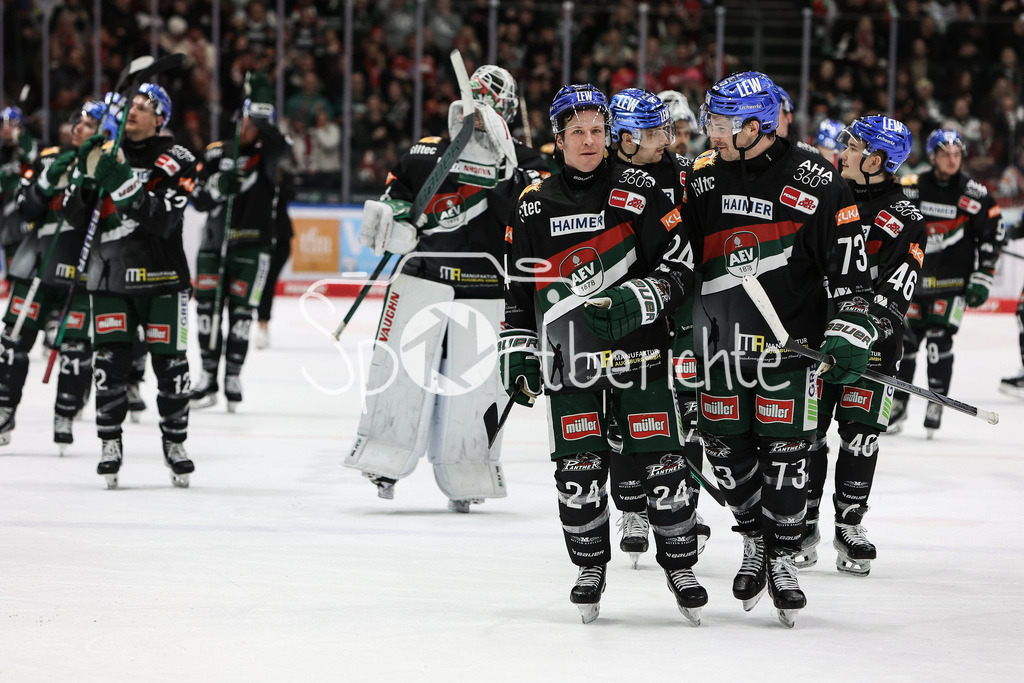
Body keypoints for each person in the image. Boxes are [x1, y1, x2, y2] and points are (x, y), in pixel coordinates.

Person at [503, 84, 705, 625]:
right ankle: (589, 567)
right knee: (579, 471)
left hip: (640, 359)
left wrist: (642, 297)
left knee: (664, 465)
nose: (589, 141)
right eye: (577, 132)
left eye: (597, 130)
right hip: (570, 362)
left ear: (609, 134)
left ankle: (680, 565)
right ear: (559, 139)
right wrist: (518, 350)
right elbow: (519, 292)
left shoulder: (640, 190)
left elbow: (681, 267)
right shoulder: (533, 205)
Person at [686, 71, 876, 626]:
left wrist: (849, 330)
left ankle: (784, 554)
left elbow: (851, 273)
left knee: (788, 459)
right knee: (726, 455)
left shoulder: (817, 179)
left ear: (755, 127)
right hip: (719, 349)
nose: (709, 131)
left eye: (719, 123)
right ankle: (755, 541)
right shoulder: (700, 177)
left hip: (790, 350)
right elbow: (677, 259)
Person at [344, 65, 541, 513]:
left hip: (487, 288)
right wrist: (393, 223)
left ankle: (469, 468)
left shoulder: (527, 162)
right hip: (421, 278)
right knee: (397, 373)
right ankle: (383, 454)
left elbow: (533, 219)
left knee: (478, 388)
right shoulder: (425, 150)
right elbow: (394, 199)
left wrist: (509, 173)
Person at [798, 116, 926, 577]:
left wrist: (860, 330)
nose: (843, 152)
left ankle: (849, 523)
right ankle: (803, 523)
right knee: (806, 437)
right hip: (814, 342)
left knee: (862, 436)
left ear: (876, 160)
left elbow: (897, 290)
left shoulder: (907, 218)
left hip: (871, 348)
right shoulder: (826, 196)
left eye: (852, 147)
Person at [62, 82, 199, 488]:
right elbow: (73, 216)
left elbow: (163, 221)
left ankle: (175, 443)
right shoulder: (101, 149)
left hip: (163, 278)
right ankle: (109, 444)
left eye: (145, 106)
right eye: (132, 105)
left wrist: (120, 179)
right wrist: (88, 177)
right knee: (109, 364)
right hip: (109, 277)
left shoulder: (179, 159)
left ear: (161, 120)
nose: (135, 110)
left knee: (172, 368)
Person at [605, 87, 710, 569]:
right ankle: (631, 510)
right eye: (653, 132)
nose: (666, 140)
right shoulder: (599, 180)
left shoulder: (687, 176)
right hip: (626, 316)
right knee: (623, 417)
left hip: (685, 310)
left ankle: (684, 507)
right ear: (624, 137)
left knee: (689, 412)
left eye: (665, 130)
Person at [0, 98, 118, 451]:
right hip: (36, 267)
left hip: (81, 274)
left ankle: (65, 414)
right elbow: (24, 208)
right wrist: (47, 181)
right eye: (76, 123)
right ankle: (4, 410)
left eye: (86, 125)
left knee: (75, 350)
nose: (76, 129)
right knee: (12, 345)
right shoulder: (50, 157)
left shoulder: (110, 166)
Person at [893, 130, 1005, 436]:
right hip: (912, 282)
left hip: (952, 284)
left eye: (957, 154)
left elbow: (993, 233)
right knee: (906, 344)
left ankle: (936, 400)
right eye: (945, 154)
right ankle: (899, 403)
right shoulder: (911, 187)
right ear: (932, 156)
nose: (952, 160)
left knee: (939, 341)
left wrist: (983, 276)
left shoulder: (974, 193)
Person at [190, 74, 290, 411]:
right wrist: (218, 186)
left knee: (242, 315)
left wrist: (262, 117)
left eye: (257, 125)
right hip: (214, 245)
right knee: (207, 313)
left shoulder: (269, 153)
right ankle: (207, 377)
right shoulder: (217, 151)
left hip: (254, 246)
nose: (251, 130)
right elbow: (198, 199)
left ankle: (233, 375)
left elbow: (282, 144)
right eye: (248, 123)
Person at [254, 168, 295, 350]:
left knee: (267, 282)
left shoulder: (283, 177)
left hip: (280, 239)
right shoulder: (255, 173)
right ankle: (240, 324)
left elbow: (290, 193)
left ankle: (263, 325)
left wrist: (278, 179)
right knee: (255, 282)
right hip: (256, 237)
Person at [1, 106, 38, 271]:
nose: (6, 129)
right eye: (2, 126)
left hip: (27, 205)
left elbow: (32, 159)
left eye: (11, 124)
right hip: (5, 207)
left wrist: (22, 138)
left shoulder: (29, 145)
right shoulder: (2, 153)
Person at [656, 90, 699, 158]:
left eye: (687, 134)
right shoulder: (644, 166)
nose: (683, 140)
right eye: (676, 133)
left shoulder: (693, 165)